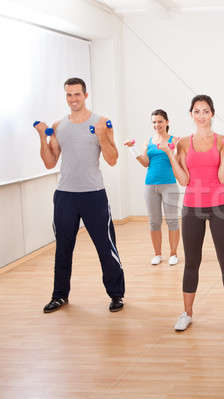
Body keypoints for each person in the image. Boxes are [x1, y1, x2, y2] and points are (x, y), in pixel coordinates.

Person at [35, 77, 125, 313]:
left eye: (77, 94)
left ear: (86, 95)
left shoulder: (102, 122)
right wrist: (42, 137)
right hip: (65, 195)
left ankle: (116, 295)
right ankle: (59, 295)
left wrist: (101, 136)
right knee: (63, 246)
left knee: (105, 246)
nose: (73, 99)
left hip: (93, 195)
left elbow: (113, 159)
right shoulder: (59, 125)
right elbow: (49, 162)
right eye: (69, 94)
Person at [162, 95, 224, 332]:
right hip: (192, 206)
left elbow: (223, 177)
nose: (202, 115)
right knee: (191, 262)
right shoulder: (183, 143)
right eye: (197, 111)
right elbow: (184, 179)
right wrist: (168, 152)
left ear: (212, 114)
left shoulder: (223, 141)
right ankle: (187, 313)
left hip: (220, 205)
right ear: (191, 115)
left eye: (206, 111)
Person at [124, 109, 181, 266]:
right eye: (154, 122)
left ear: (167, 122)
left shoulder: (175, 140)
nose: (157, 124)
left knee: (172, 221)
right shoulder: (149, 141)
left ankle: (173, 254)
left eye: (160, 121)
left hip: (169, 184)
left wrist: (172, 149)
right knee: (154, 222)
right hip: (150, 186)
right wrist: (131, 148)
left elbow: (177, 162)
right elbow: (145, 162)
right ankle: (157, 254)